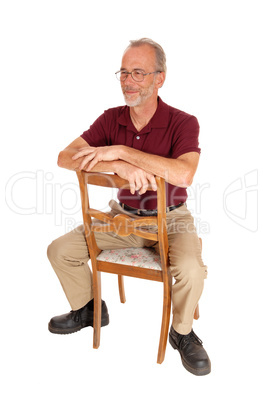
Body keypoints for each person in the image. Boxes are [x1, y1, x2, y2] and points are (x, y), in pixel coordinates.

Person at [47, 38, 211, 376]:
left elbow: (184, 173)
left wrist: (121, 151)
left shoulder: (184, 122)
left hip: (171, 220)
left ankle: (181, 333)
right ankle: (89, 309)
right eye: (124, 72)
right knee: (60, 250)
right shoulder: (110, 119)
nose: (128, 81)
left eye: (138, 73)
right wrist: (117, 166)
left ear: (159, 78)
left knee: (192, 271)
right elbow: (66, 157)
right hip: (123, 220)